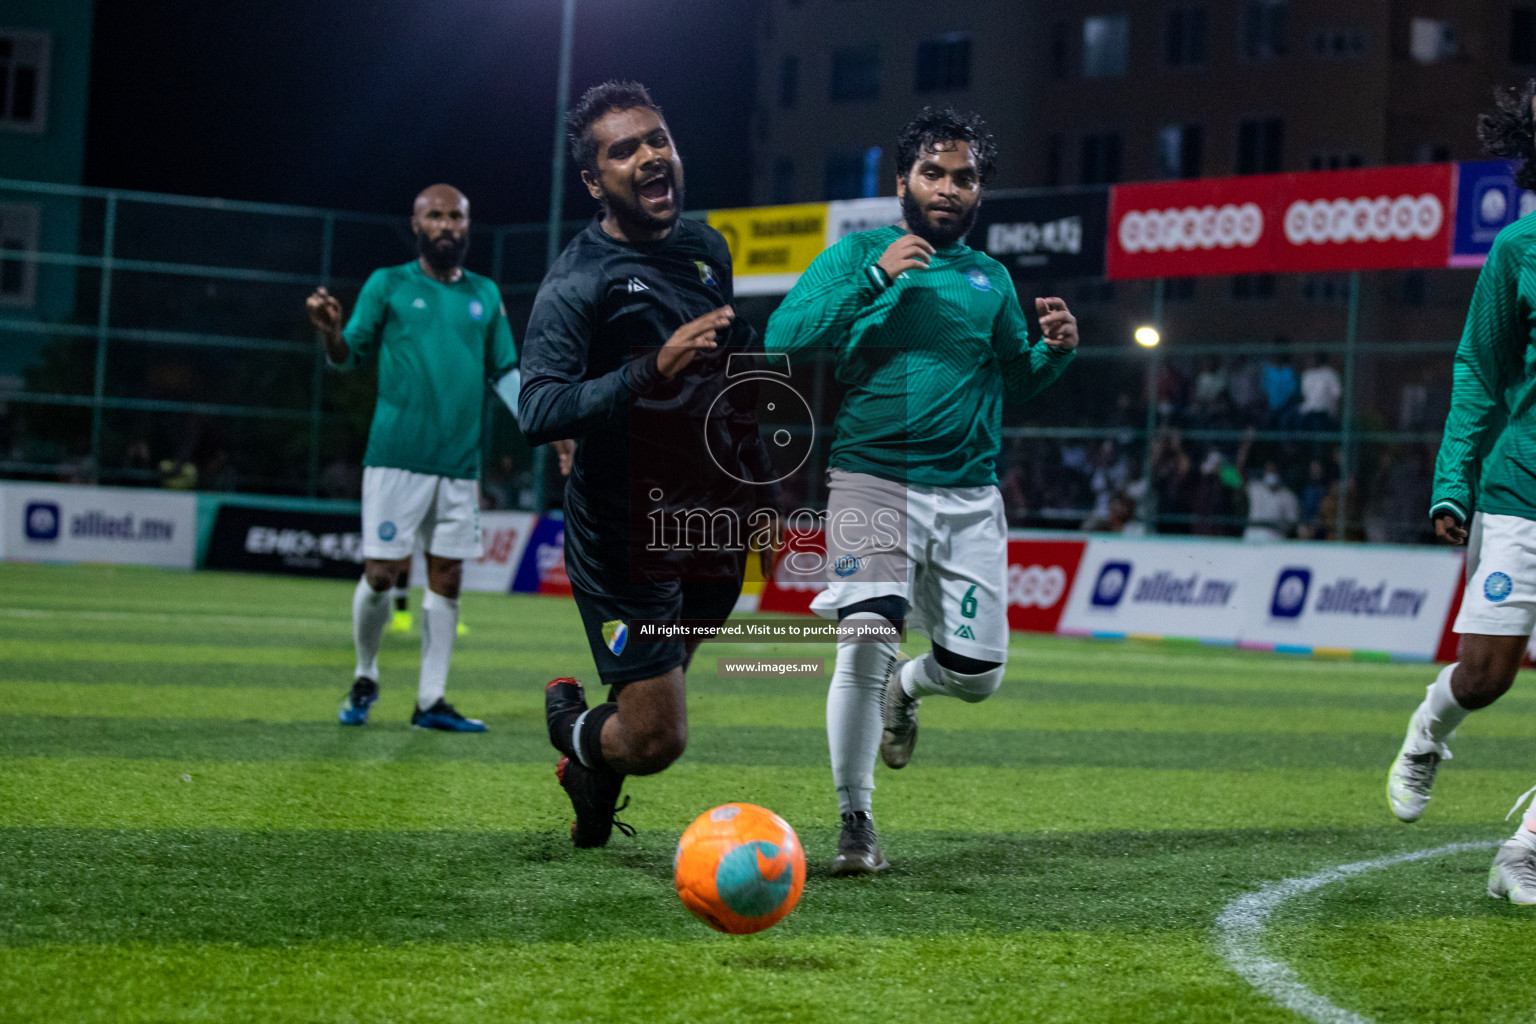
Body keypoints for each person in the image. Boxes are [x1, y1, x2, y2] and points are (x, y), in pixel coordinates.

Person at [764, 107, 1078, 875]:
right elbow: (782, 336)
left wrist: (1056, 354)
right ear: (901, 181)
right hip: (872, 476)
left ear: (979, 192)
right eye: (932, 173)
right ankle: (854, 818)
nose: (947, 188)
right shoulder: (859, 253)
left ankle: (912, 687)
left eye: (963, 177)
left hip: (969, 495)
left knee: (978, 678)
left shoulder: (990, 279)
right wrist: (873, 278)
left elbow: (1013, 378)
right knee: (864, 639)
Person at [519, 81, 774, 848]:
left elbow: (728, 374)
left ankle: (595, 773)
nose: (649, 156)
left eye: (657, 139)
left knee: (652, 702)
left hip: (707, 518)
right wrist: (649, 369)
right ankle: (574, 734)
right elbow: (538, 410)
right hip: (625, 529)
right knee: (659, 741)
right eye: (624, 149)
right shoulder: (576, 282)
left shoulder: (707, 249)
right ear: (596, 181)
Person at [1386, 78, 1536, 905]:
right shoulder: (1519, 248)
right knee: (1487, 677)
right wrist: (1453, 482)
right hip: (1521, 491)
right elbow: (1479, 369)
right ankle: (1429, 729)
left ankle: (1522, 852)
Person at [305, 184, 519, 733]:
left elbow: (505, 374)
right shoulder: (389, 283)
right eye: (436, 216)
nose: (447, 225)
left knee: (447, 579)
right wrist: (330, 330)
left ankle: (431, 700)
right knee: (381, 574)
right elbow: (346, 356)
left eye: (456, 217)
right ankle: (366, 672)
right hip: (395, 460)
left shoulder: (486, 294)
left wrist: (551, 427)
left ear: (467, 226)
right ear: (417, 224)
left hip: (459, 467)